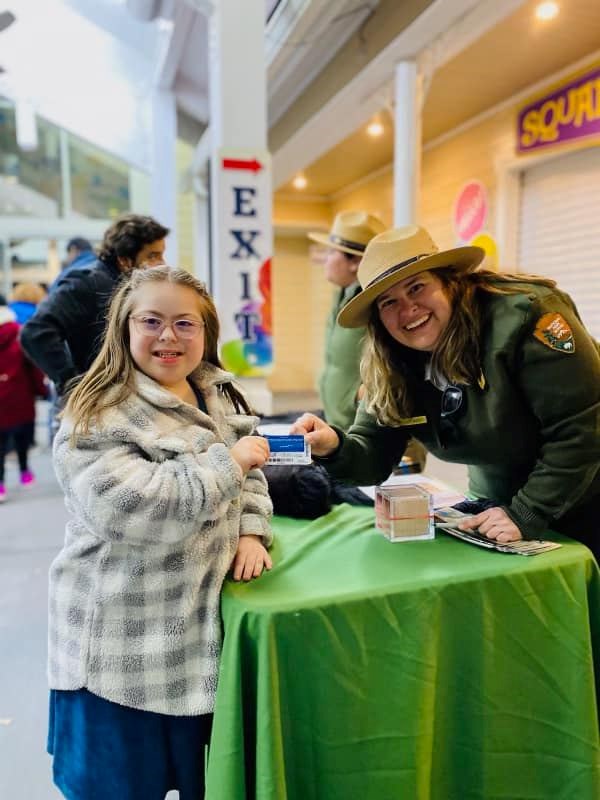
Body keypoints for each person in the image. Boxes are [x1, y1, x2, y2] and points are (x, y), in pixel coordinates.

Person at [47, 266, 273, 800]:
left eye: (184, 323)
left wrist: (250, 532)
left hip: (196, 656)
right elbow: (137, 509)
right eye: (151, 321)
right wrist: (230, 465)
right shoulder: (93, 415)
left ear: (206, 332)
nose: (168, 336)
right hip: (118, 664)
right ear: (124, 329)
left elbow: (255, 469)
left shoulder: (216, 394)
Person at [292, 224, 600, 554]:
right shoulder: (391, 360)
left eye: (416, 287)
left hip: (585, 496)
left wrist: (527, 512)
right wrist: (334, 446)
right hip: (498, 500)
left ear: (449, 282)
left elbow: (581, 429)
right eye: (388, 302)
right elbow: (373, 452)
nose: (408, 309)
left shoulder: (527, 316)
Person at [308, 210, 426, 473]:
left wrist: (366, 394)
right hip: (346, 433)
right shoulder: (344, 294)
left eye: (331, 253)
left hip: (380, 438)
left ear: (354, 262)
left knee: (396, 507)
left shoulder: (380, 302)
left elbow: (406, 361)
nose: (324, 260)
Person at [21, 214, 169, 397]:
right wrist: (73, 384)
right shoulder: (86, 283)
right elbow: (35, 332)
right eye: (153, 256)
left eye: (162, 254)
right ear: (124, 259)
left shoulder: (130, 286)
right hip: (98, 407)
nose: (161, 263)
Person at [0, 294, 48, 502]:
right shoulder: (19, 335)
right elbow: (33, 367)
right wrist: (41, 391)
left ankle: (0, 485)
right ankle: (24, 472)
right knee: (22, 436)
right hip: (21, 395)